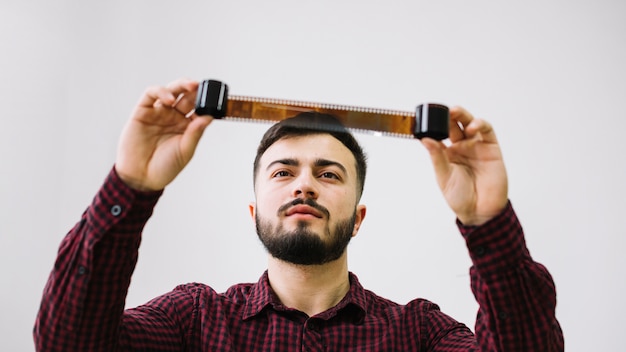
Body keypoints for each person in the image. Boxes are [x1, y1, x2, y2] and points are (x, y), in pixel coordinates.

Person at [34, 78, 564, 351]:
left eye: (329, 174)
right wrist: (131, 186)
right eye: (283, 172)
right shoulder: (192, 320)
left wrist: (487, 222)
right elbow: (66, 345)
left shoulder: (418, 334)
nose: (305, 183)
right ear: (254, 210)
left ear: (358, 218)